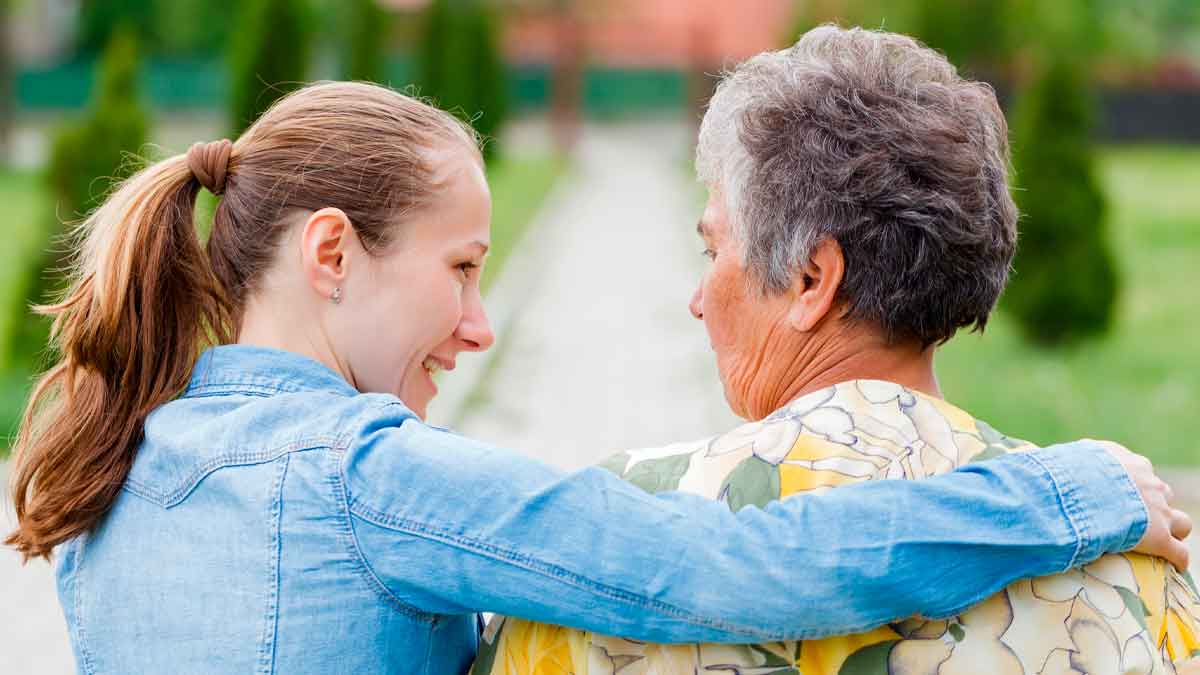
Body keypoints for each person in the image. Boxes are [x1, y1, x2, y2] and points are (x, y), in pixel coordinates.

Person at [2, 81, 1185, 675]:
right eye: (463, 270)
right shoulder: (370, 477)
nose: (478, 326)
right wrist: (1065, 495)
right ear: (329, 253)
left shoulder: (104, 476)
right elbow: (734, 570)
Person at [475, 26, 1200, 675]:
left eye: (712, 248)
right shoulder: (1133, 554)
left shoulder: (613, 541)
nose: (697, 298)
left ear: (810, 278)